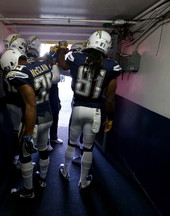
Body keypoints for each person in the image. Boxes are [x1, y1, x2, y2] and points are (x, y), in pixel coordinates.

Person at [57, 30, 122, 192]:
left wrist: (62, 50)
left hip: (78, 108)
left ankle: (65, 171)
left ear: (90, 42)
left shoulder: (77, 58)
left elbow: (62, 64)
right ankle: (83, 181)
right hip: (96, 112)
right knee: (88, 147)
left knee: (71, 143)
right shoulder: (111, 66)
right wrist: (111, 117)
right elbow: (109, 98)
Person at [3, 47, 60, 198]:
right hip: (48, 115)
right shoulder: (41, 65)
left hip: (33, 120)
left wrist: (27, 134)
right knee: (43, 149)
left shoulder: (18, 74)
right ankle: (42, 180)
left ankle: (28, 191)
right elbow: (55, 78)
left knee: (25, 155)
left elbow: (30, 105)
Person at [0, 33, 28, 168]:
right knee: (21, 133)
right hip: (20, 103)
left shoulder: (3, 61)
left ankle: (16, 156)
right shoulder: (18, 63)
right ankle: (21, 158)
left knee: (14, 131)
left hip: (9, 101)